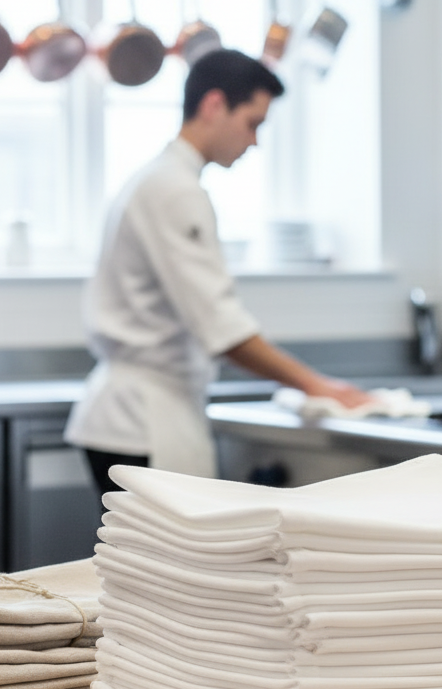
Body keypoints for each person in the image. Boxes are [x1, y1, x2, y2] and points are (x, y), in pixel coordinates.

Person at [64, 47, 371, 493]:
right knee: (166, 542)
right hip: (145, 420)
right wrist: (315, 385)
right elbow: (220, 325)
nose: (254, 142)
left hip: (134, 413)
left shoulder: (158, 179)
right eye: (252, 123)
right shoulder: (174, 190)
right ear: (213, 105)